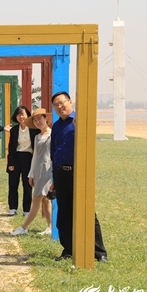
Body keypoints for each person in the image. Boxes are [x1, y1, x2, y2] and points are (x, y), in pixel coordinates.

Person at [50, 91, 108, 263]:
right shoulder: (56, 126)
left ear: (70, 102)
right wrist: (54, 178)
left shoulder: (79, 121)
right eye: (56, 105)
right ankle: (68, 250)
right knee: (64, 215)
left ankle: (99, 253)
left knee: (88, 213)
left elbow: (90, 144)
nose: (60, 107)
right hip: (61, 174)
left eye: (62, 103)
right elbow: (53, 152)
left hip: (78, 173)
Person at [11, 109, 53, 236]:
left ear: (46, 118)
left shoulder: (53, 135)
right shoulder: (37, 137)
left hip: (48, 170)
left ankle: (23, 227)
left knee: (36, 200)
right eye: (35, 120)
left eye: (40, 118)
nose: (37, 122)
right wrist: (31, 174)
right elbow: (35, 156)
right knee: (45, 200)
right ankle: (50, 227)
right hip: (38, 170)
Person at [6, 106, 39, 217]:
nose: (21, 117)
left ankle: (26, 210)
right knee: (13, 184)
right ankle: (13, 208)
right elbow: (11, 147)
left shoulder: (34, 129)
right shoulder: (14, 130)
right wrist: (10, 163)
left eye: (23, 114)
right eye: (18, 114)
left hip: (29, 158)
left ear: (28, 115)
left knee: (27, 185)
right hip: (16, 159)